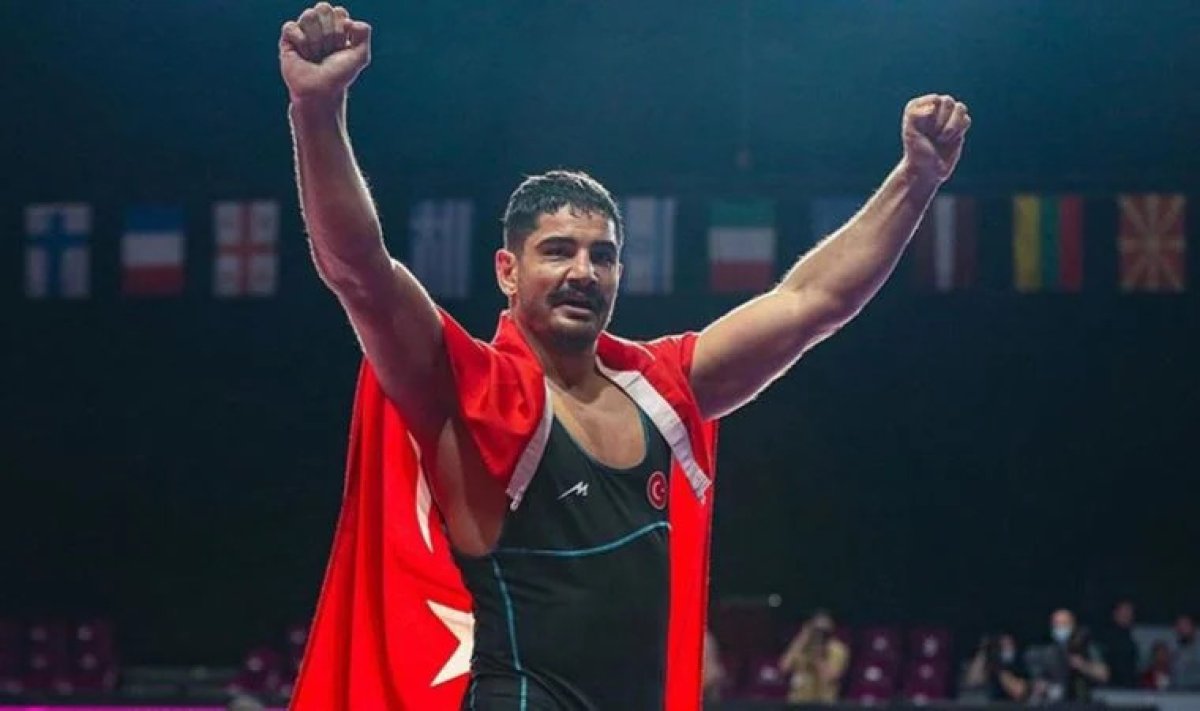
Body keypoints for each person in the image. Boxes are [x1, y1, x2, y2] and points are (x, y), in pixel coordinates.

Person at [277, 3, 971, 709]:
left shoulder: (660, 389)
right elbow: (360, 270)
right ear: (507, 271)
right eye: (557, 251)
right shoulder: (472, 389)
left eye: (602, 256)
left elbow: (810, 301)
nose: (583, 272)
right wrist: (317, 109)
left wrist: (915, 181)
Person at [1027, 609, 1109, 703]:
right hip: (1055, 701)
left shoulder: (1088, 647)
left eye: (1064, 624)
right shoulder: (1046, 651)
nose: (1060, 627)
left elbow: (1104, 675)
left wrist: (1082, 665)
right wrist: (1041, 686)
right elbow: (1038, 680)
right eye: (1057, 624)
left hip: (1086, 699)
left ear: (1073, 625)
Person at [777, 610, 850, 703]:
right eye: (815, 630)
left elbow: (830, 677)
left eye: (822, 631)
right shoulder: (801, 646)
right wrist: (801, 639)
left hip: (821, 702)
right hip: (797, 701)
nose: (818, 635)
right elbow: (784, 667)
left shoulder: (837, 649)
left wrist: (817, 657)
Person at [962, 633, 1028, 702]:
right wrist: (983, 651)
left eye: (1008, 644)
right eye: (1002, 645)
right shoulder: (991, 665)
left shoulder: (1021, 664)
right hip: (994, 703)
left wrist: (1002, 674)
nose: (1005, 647)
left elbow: (1019, 691)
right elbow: (972, 681)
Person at [1098, 599, 1139, 688]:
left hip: (1128, 688)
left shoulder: (1129, 639)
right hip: (1110, 688)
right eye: (1124, 611)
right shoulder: (1105, 638)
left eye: (1130, 612)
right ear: (1115, 613)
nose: (1127, 615)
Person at [1172, 615, 1200, 690]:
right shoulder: (1175, 649)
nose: (1182, 628)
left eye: (1185, 625)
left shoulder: (1198, 648)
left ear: (1193, 627)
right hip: (1176, 692)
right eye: (1179, 625)